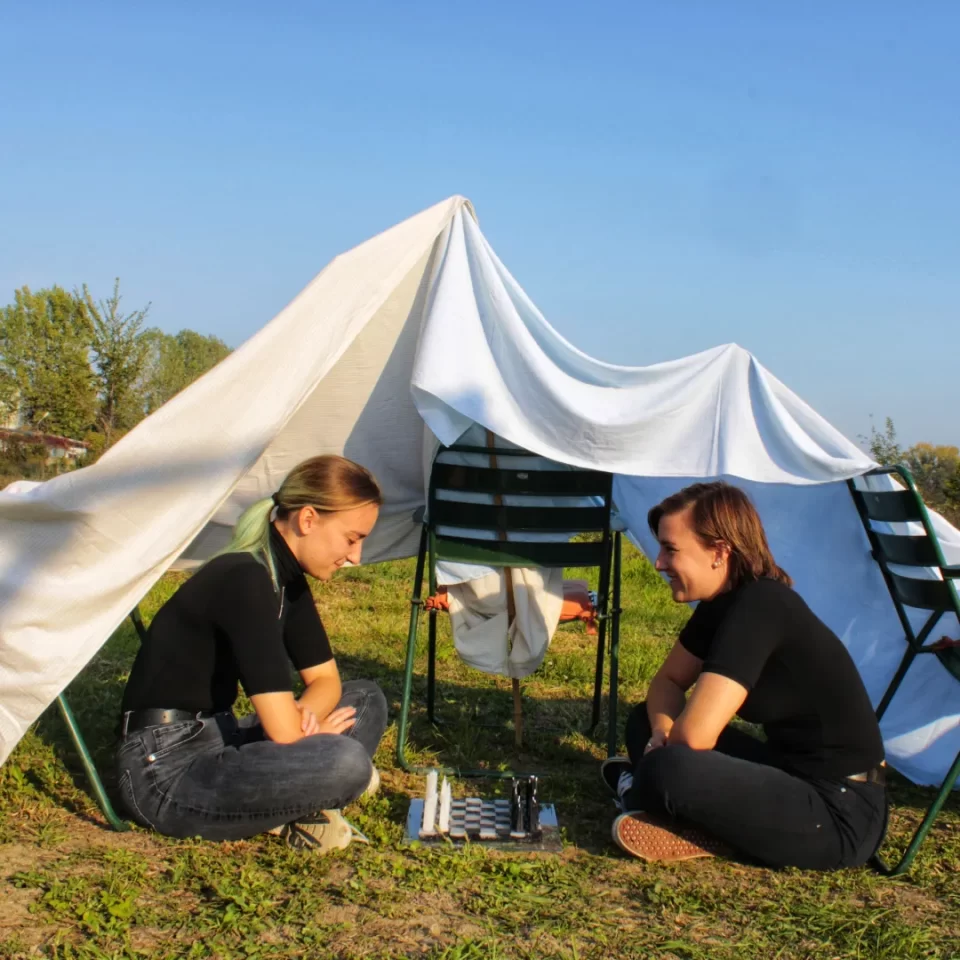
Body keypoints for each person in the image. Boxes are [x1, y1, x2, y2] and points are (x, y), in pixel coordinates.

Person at [601, 481, 887, 869]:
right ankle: (661, 802)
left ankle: (647, 796)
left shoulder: (761, 606)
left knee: (671, 767)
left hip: (839, 812)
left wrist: (664, 748)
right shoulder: (723, 604)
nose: (658, 563)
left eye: (671, 550)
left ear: (719, 552)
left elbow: (695, 738)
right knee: (643, 720)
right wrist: (659, 732)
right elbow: (666, 684)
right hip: (788, 774)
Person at [116, 454, 388, 853]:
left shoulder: (286, 580)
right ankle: (311, 797)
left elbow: (326, 681)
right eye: (352, 538)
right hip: (165, 771)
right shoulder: (245, 579)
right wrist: (308, 740)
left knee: (364, 699)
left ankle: (300, 797)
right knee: (345, 761)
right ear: (308, 519)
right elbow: (281, 731)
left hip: (220, 738)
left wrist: (307, 722)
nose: (356, 557)